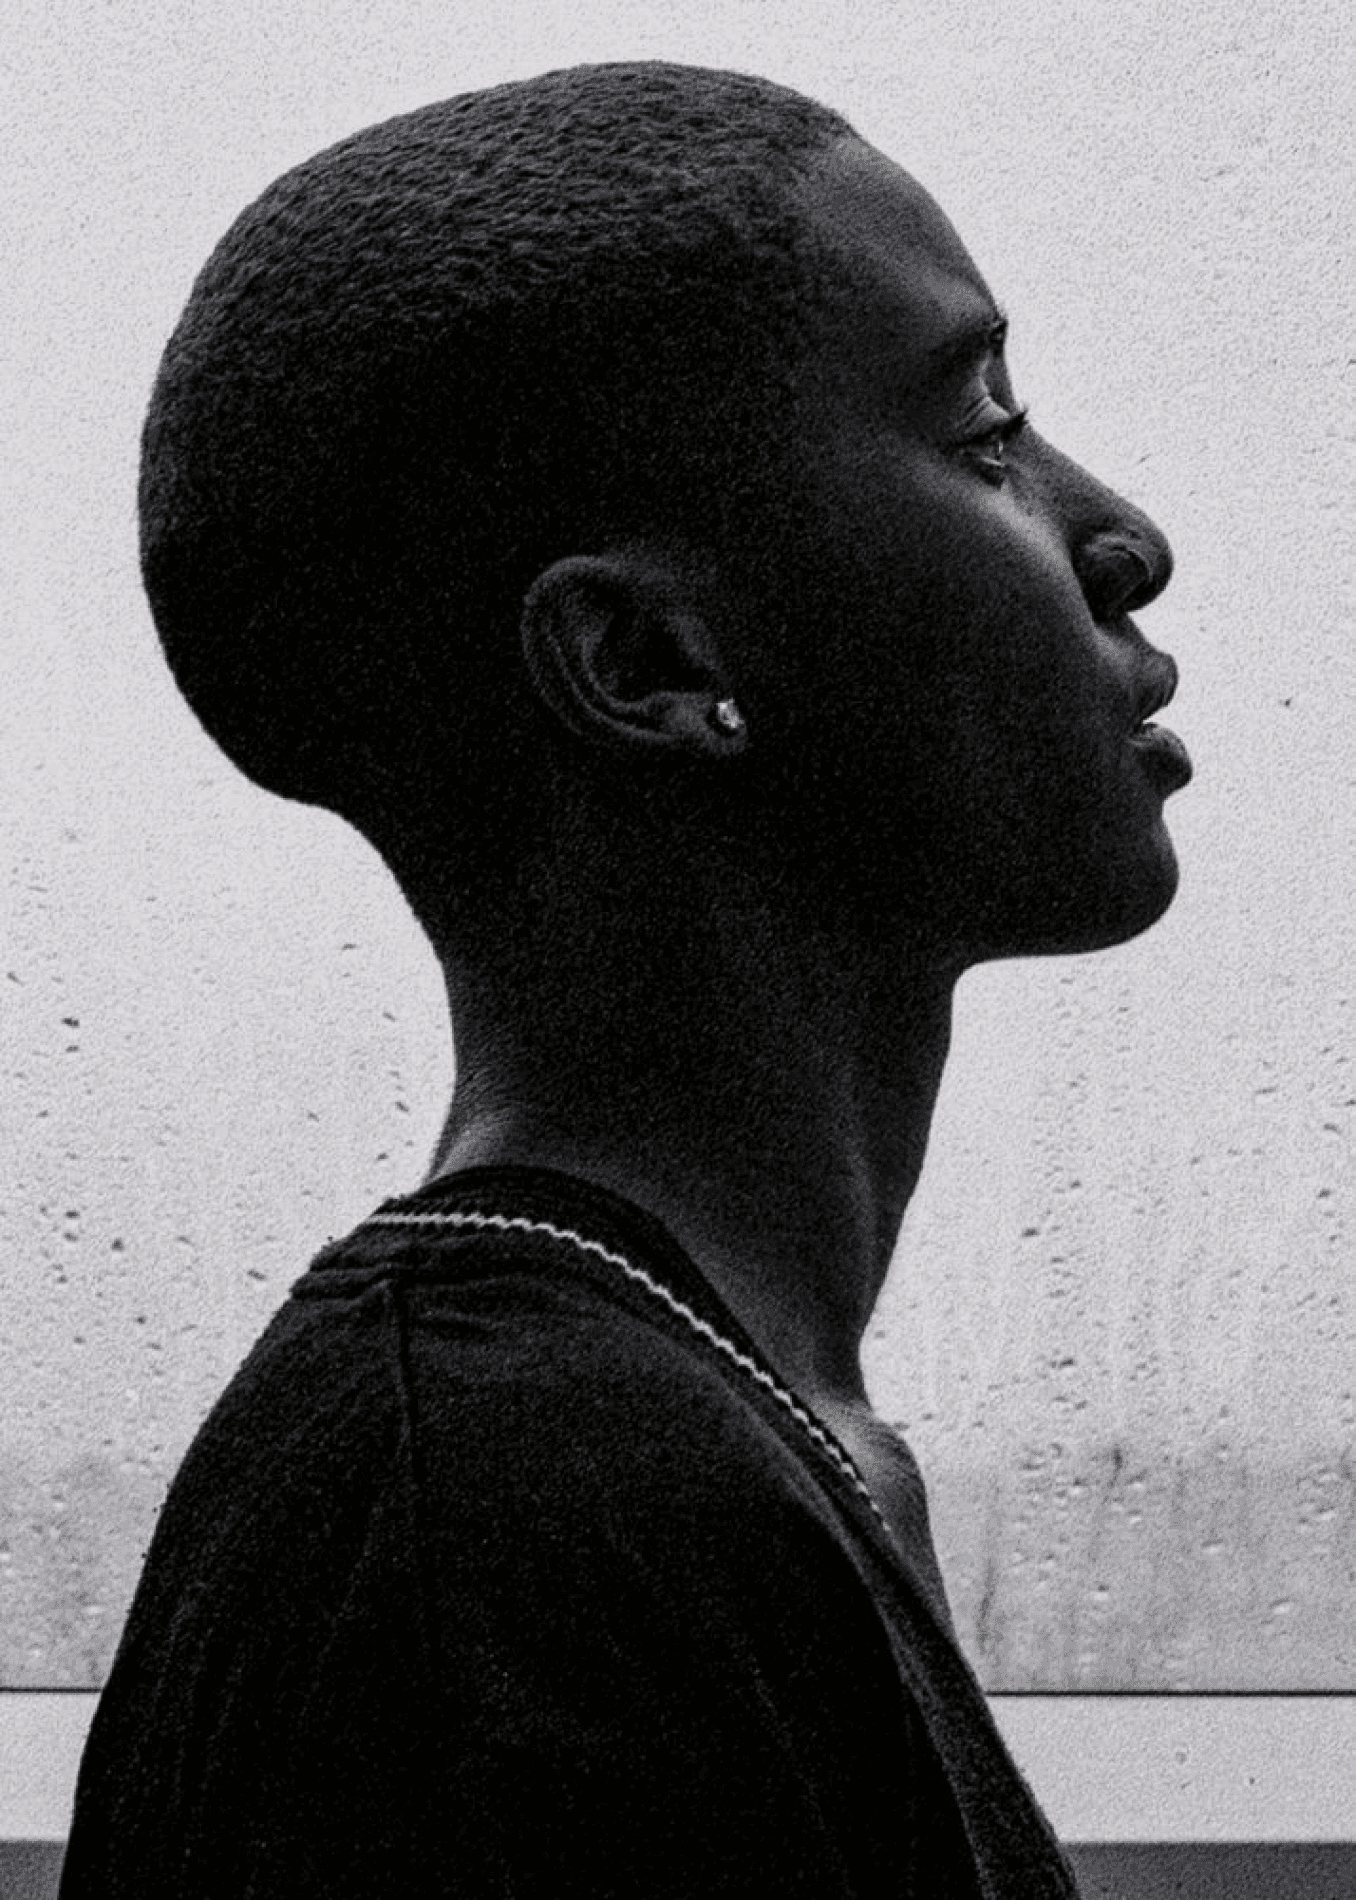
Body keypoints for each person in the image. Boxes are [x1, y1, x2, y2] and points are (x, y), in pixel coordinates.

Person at [60, 60, 1190, 1898]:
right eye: (984, 432)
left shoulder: (659, 1455)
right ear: (647, 662)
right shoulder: (500, 1553)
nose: (1125, 539)